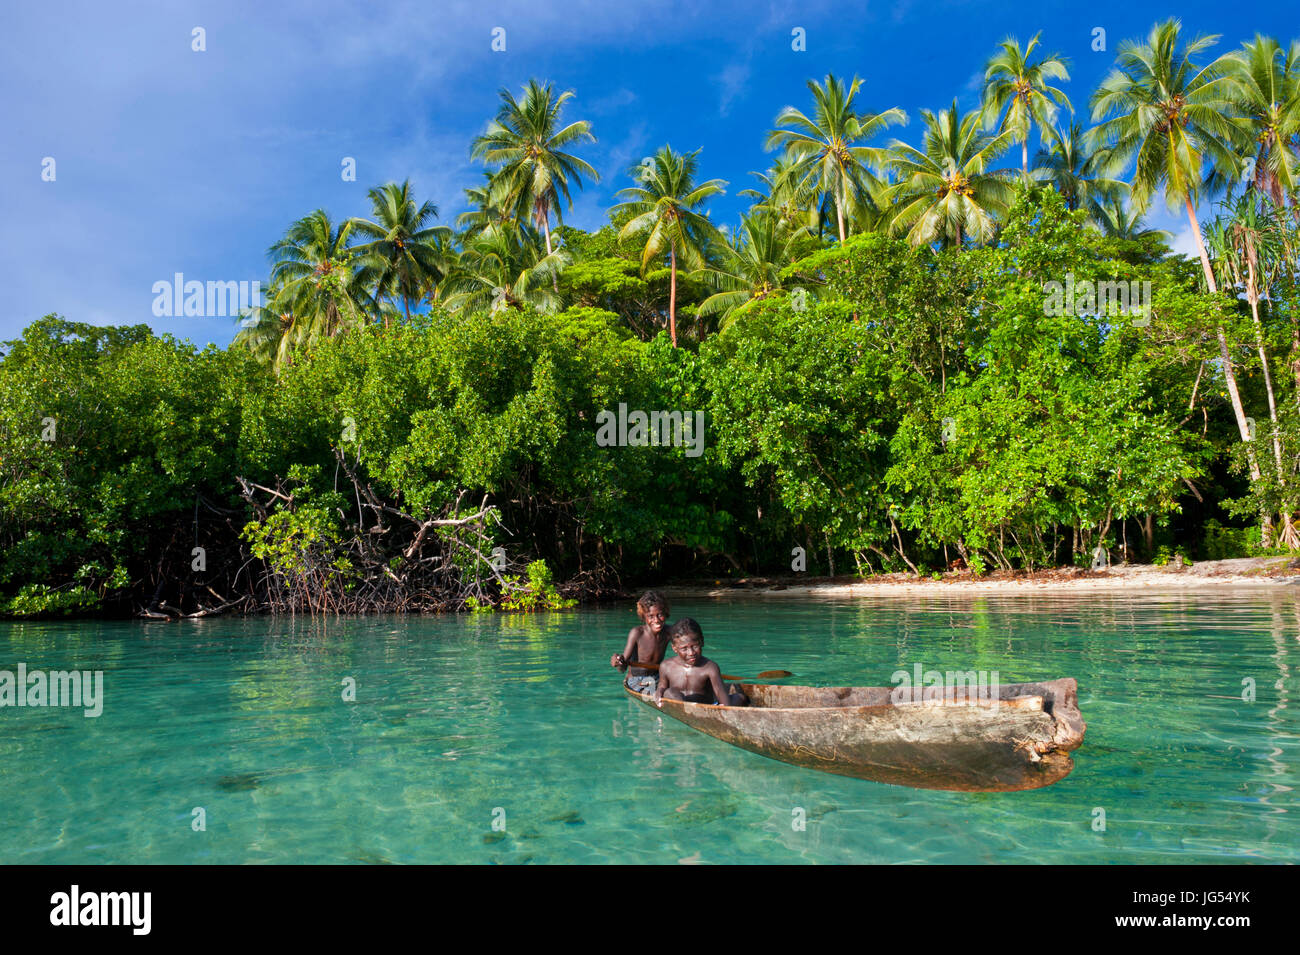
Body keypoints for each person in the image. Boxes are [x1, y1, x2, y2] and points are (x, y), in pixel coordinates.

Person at [654, 618, 747, 707]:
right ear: (674, 648)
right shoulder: (666, 666)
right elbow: (662, 685)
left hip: (706, 707)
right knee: (669, 692)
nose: (691, 653)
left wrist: (725, 707)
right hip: (680, 706)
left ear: (702, 642)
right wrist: (658, 693)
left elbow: (720, 694)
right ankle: (684, 711)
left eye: (695, 646)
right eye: (684, 648)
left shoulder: (710, 667)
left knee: (740, 698)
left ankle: (739, 697)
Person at [611, 591, 670, 694]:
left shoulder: (669, 632)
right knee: (653, 689)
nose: (656, 620)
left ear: (665, 612)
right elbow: (622, 668)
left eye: (660, 615)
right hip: (636, 680)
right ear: (644, 617)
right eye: (651, 616)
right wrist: (617, 662)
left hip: (657, 676)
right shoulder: (637, 633)